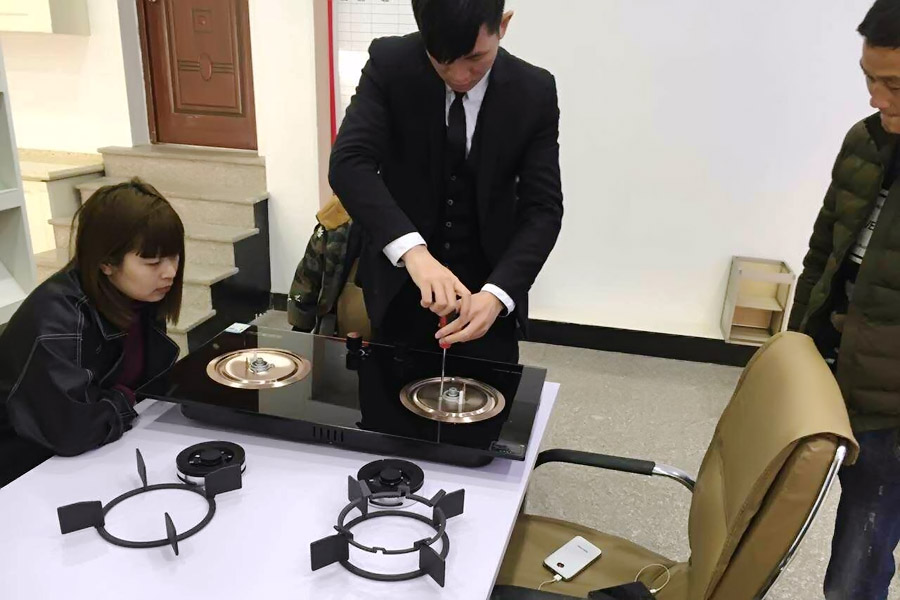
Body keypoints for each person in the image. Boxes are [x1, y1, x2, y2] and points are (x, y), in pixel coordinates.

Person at [329, 0, 563, 364]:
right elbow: (349, 163)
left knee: (489, 392)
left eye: (474, 58)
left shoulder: (534, 90)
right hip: (399, 286)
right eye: (442, 60)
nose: (459, 76)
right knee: (385, 391)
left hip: (488, 292)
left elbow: (543, 209)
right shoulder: (391, 63)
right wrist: (414, 253)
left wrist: (498, 294)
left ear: (502, 25)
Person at [788, 1, 900, 597]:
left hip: (891, 405)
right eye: (868, 78)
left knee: (860, 558)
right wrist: (793, 348)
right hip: (834, 365)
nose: (876, 98)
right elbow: (821, 256)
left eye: (894, 85)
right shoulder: (865, 140)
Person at [0, 179, 184, 487]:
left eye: (174, 256)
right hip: (27, 470)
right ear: (106, 263)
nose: (170, 272)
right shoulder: (57, 320)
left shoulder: (139, 297)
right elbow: (73, 429)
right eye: (152, 262)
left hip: (95, 452)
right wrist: (125, 399)